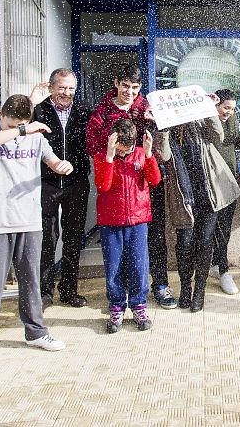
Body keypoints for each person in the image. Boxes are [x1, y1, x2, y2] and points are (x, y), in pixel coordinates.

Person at [0, 94, 71, 365]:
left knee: (30, 280)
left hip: (29, 220)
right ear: (0, 114)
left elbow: (52, 161)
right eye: (10, 124)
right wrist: (20, 129)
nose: (14, 130)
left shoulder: (36, 137)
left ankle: (35, 331)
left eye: (20, 125)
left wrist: (62, 165)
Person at [86, 65, 176, 309]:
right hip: (115, 183)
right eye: (125, 85)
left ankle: (160, 284)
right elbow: (91, 145)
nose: (130, 91)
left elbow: (164, 147)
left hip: (144, 181)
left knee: (154, 237)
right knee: (120, 246)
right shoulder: (102, 112)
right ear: (116, 83)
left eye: (135, 87)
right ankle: (122, 293)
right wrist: (111, 147)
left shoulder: (147, 107)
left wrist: (155, 124)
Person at [153, 114, 240, 311]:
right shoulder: (169, 130)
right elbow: (163, 155)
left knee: (204, 241)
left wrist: (209, 111)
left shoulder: (202, 124)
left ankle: (199, 291)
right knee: (184, 244)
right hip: (183, 196)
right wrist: (163, 126)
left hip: (208, 193)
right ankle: (185, 288)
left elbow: (219, 136)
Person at [30, 69, 92, 309]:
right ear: (51, 87)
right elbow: (14, 120)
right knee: (47, 238)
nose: (66, 93)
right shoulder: (39, 110)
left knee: (73, 238)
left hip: (76, 182)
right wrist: (32, 99)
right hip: (46, 183)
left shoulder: (84, 110)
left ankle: (68, 290)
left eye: (71, 88)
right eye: (62, 88)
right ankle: (45, 293)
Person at [94, 119, 161, 333]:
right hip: (111, 220)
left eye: (127, 150)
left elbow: (155, 180)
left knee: (138, 265)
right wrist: (110, 157)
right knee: (114, 265)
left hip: (138, 219)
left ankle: (139, 305)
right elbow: (103, 185)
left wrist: (149, 154)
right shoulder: (102, 156)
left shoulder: (141, 154)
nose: (124, 153)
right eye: (120, 149)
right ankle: (116, 305)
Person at [208, 89, 240, 295]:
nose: (229, 112)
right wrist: (211, 113)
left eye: (232, 109)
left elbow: (234, 141)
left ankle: (219, 266)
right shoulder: (207, 119)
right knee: (213, 228)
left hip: (230, 176)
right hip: (212, 178)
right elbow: (217, 139)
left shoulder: (232, 118)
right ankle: (221, 269)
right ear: (216, 105)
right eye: (225, 108)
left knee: (225, 227)